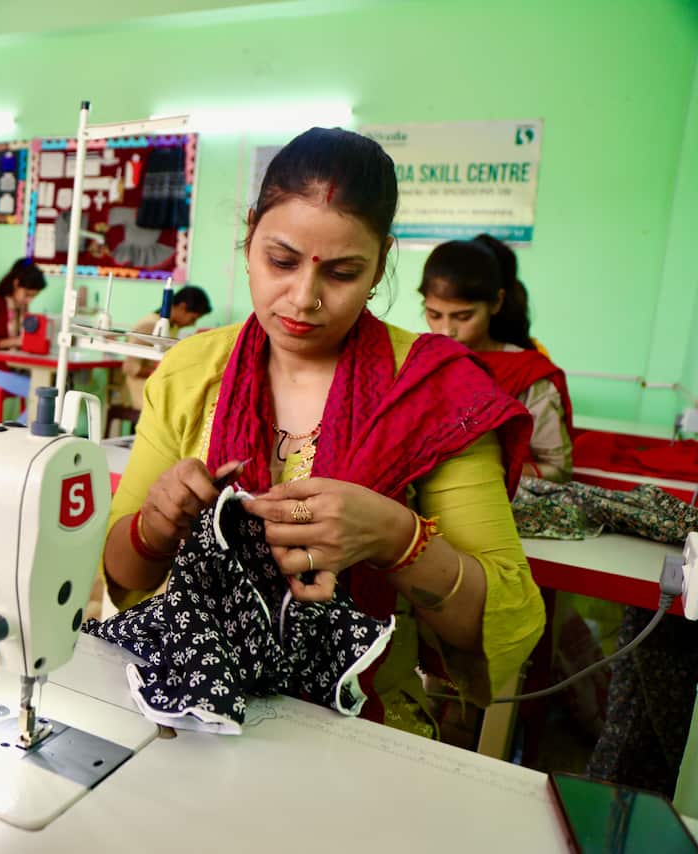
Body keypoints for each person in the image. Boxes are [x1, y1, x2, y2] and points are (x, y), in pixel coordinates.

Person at [101, 127, 545, 737]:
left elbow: (507, 616)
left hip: (360, 728)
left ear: (382, 263)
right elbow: (123, 574)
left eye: (341, 272)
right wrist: (156, 525)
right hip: (196, 704)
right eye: (280, 261)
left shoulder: (436, 393)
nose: (303, 298)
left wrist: (397, 538)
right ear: (250, 232)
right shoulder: (192, 372)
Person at [420, 235, 573, 482]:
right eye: (434, 314)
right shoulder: (419, 359)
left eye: (463, 316)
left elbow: (558, 470)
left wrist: (484, 474)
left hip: (493, 490)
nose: (446, 330)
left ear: (496, 303)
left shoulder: (528, 376)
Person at [121, 285, 212, 410]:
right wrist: (167, 372)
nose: (193, 324)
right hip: (140, 393)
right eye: (193, 318)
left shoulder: (171, 327)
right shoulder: (150, 326)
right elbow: (130, 368)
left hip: (157, 389)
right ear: (182, 307)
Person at [0, 257, 47, 407]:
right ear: (16, 283)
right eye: (27, 295)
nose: (29, 301)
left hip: (15, 368)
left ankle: (18, 428)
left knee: (50, 392)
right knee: (43, 396)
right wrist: (16, 341)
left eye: (33, 297)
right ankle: (21, 429)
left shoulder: (21, 307)